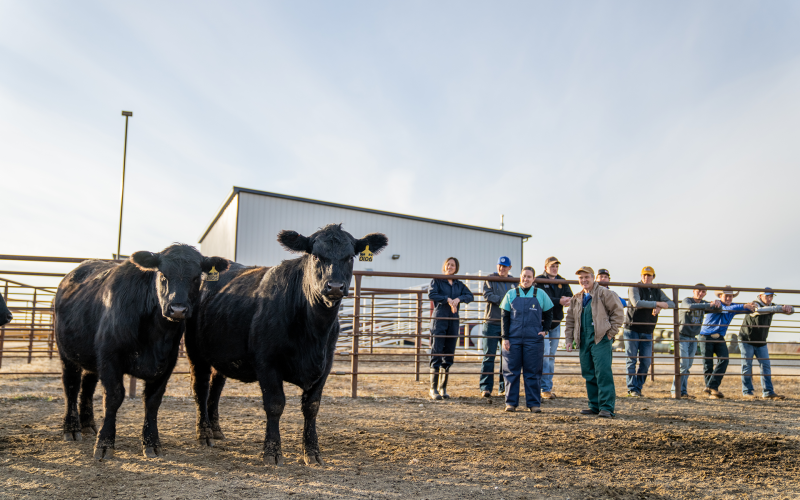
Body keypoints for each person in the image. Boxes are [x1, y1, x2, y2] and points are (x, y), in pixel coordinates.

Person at [564, 267, 625, 418]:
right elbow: (570, 320)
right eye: (581, 278)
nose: (584, 280)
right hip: (584, 339)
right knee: (588, 372)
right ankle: (594, 405)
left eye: (586, 277)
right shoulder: (577, 297)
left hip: (600, 338)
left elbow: (618, 313)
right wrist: (569, 339)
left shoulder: (605, 293)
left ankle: (606, 407)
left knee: (603, 372)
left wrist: (611, 333)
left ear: (593, 278)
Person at [499, 266, 554, 412]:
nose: (526, 279)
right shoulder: (511, 294)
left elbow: (549, 313)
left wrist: (545, 330)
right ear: (520, 277)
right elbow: (504, 317)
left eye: (529, 277)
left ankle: (534, 404)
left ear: (533, 279)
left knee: (533, 371)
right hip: (513, 338)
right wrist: (505, 337)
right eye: (524, 276)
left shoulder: (540, 294)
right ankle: (511, 403)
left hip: (533, 339)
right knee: (511, 371)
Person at [623, 266, 675, 397]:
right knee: (631, 360)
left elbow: (672, 303)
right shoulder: (634, 287)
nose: (646, 277)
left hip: (648, 330)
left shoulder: (657, 290)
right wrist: (657, 304)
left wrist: (660, 307)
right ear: (641, 276)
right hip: (632, 328)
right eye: (644, 275)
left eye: (649, 275)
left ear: (653, 277)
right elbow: (636, 303)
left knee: (646, 361)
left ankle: (638, 387)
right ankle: (632, 389)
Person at [428, 257, 474, 400]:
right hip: (440, 318)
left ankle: (443, 387)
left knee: (449, 352)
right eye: (448, 264)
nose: (450, 267)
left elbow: (470, 295)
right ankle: (433, 388)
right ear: (444, 266)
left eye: (453, 265)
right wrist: (447, 299)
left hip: (453, 320)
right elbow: (431, 294)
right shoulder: (437, 281)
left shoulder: (459, 284)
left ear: (456, 268)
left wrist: (459, 299)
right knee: (436, 350)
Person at [698, 286, 756, 399]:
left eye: (731, 296)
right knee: (707, 364)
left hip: (719, 337)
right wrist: (743, 305)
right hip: (706, 336)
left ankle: (710, 387)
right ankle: (712, 391)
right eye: (726, 296)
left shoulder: (733, 307)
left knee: (724, 359)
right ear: (720, 296)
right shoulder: (716, 304)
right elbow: (729, 308)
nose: (729, 298)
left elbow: (748, 309)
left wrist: (752, 305)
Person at [738, 287, 794, 399]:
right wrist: (776, 308)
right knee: (747, 366)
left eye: (771, 296)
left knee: (766, 366)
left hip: (761, 341)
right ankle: (747, 392)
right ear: (760, 295)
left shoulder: (772, 306)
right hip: (746, 339)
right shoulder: (754, 304)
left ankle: (768, 392)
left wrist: (789, 308)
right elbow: (758, 311)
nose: (769, 298)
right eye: (767, 296)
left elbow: (790, 311)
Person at [670, 285, 720, 399]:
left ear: (705, 294)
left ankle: (683, 391)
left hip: (693, 337)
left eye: (703, 292)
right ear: (693, 291)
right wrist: (710, 304)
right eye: (698, 291)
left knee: (688, 366)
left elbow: (717, 308)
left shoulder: (704, 304)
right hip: (682, 336)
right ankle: (675, 390)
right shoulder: (687, 300)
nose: (700, 293)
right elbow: (689, 307)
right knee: (683, 364)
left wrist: (717, 302)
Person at [536, 257, 573, 400]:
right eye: (552, 266)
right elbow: (540, 298)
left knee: (550, 356)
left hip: (556, 323)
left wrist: (566, 300)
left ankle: (546, 387)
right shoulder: (539, 280)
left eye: (556, 266)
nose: (555, 268)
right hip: (542, 323)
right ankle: (542, 387)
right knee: (544, 354)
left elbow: (569, 296)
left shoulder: (562, 281)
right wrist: (559, 301)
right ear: (545, 267)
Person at [479, 256, 514, 397]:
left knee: (506, 356)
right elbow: (487, 295)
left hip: (507, 323)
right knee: (489, 355)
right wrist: (506, 300)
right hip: (491, 321)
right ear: (497, 265)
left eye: (505, 266)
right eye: (500, 265)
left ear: (509, 268)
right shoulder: (490, 279)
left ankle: (503, 387)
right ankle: (485, 387)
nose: (502, 268)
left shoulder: (513, 281)